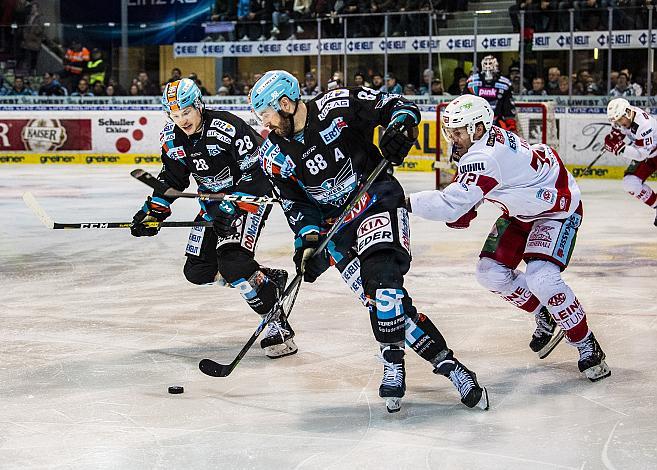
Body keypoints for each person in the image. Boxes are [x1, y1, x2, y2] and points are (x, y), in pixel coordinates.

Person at [249, 70, 489, 413]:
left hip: (376, 200)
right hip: (337, 229)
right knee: (384, 305)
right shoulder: (273, 155)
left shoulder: (336, 106)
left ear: (285, 104)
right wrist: (308, 241)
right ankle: (452, 368)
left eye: (268, 115)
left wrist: (400, 125)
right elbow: (296, 205)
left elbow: (396, 105)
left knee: (384, 287)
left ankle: (395, 362)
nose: (267, 124)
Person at [406, 95, 611, 382]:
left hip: (556, 209)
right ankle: (545, 312)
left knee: (542, 279)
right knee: (489, 273)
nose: (453, 138)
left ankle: (585, 341)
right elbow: (470, 196)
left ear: (479, 128)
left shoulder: (485, 157)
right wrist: (467, 204)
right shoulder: (484, 142)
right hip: (522, 209)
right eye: (450, 131)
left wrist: (403, 201)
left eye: (459, 131)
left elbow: (452, 205)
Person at [130, 78, 297, 358]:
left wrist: (231, 210)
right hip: (211, 204)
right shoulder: (172, 139)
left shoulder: (226, 127)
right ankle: (264, 280)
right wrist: (153, 212)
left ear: (198, 106)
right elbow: (172, 178)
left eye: (186, 112)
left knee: (232, 263)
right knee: (197, 272)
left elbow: (258, 174)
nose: (182, 120)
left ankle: (277, 325)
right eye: (175, 115)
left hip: (246, 200)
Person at [605, 98, 657, 227]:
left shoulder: (644, 125)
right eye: (616, 121)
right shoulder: (622, 116)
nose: (618, 123)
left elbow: (641, 155)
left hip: (648, 153)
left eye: (620, 120)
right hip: (649, 156)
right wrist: (613, 139)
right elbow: (618, 134)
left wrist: (620, 148)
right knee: (630, 183)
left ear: (628, 113)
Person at [467, 55, 518, 132]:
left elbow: (508, 107)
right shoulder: (472, 82)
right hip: (475, 122)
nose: (488, 67)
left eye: (490, 64)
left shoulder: (505, 83)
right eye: (486, 64)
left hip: (497, 123)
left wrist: (511, 125)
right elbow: (464, 102)